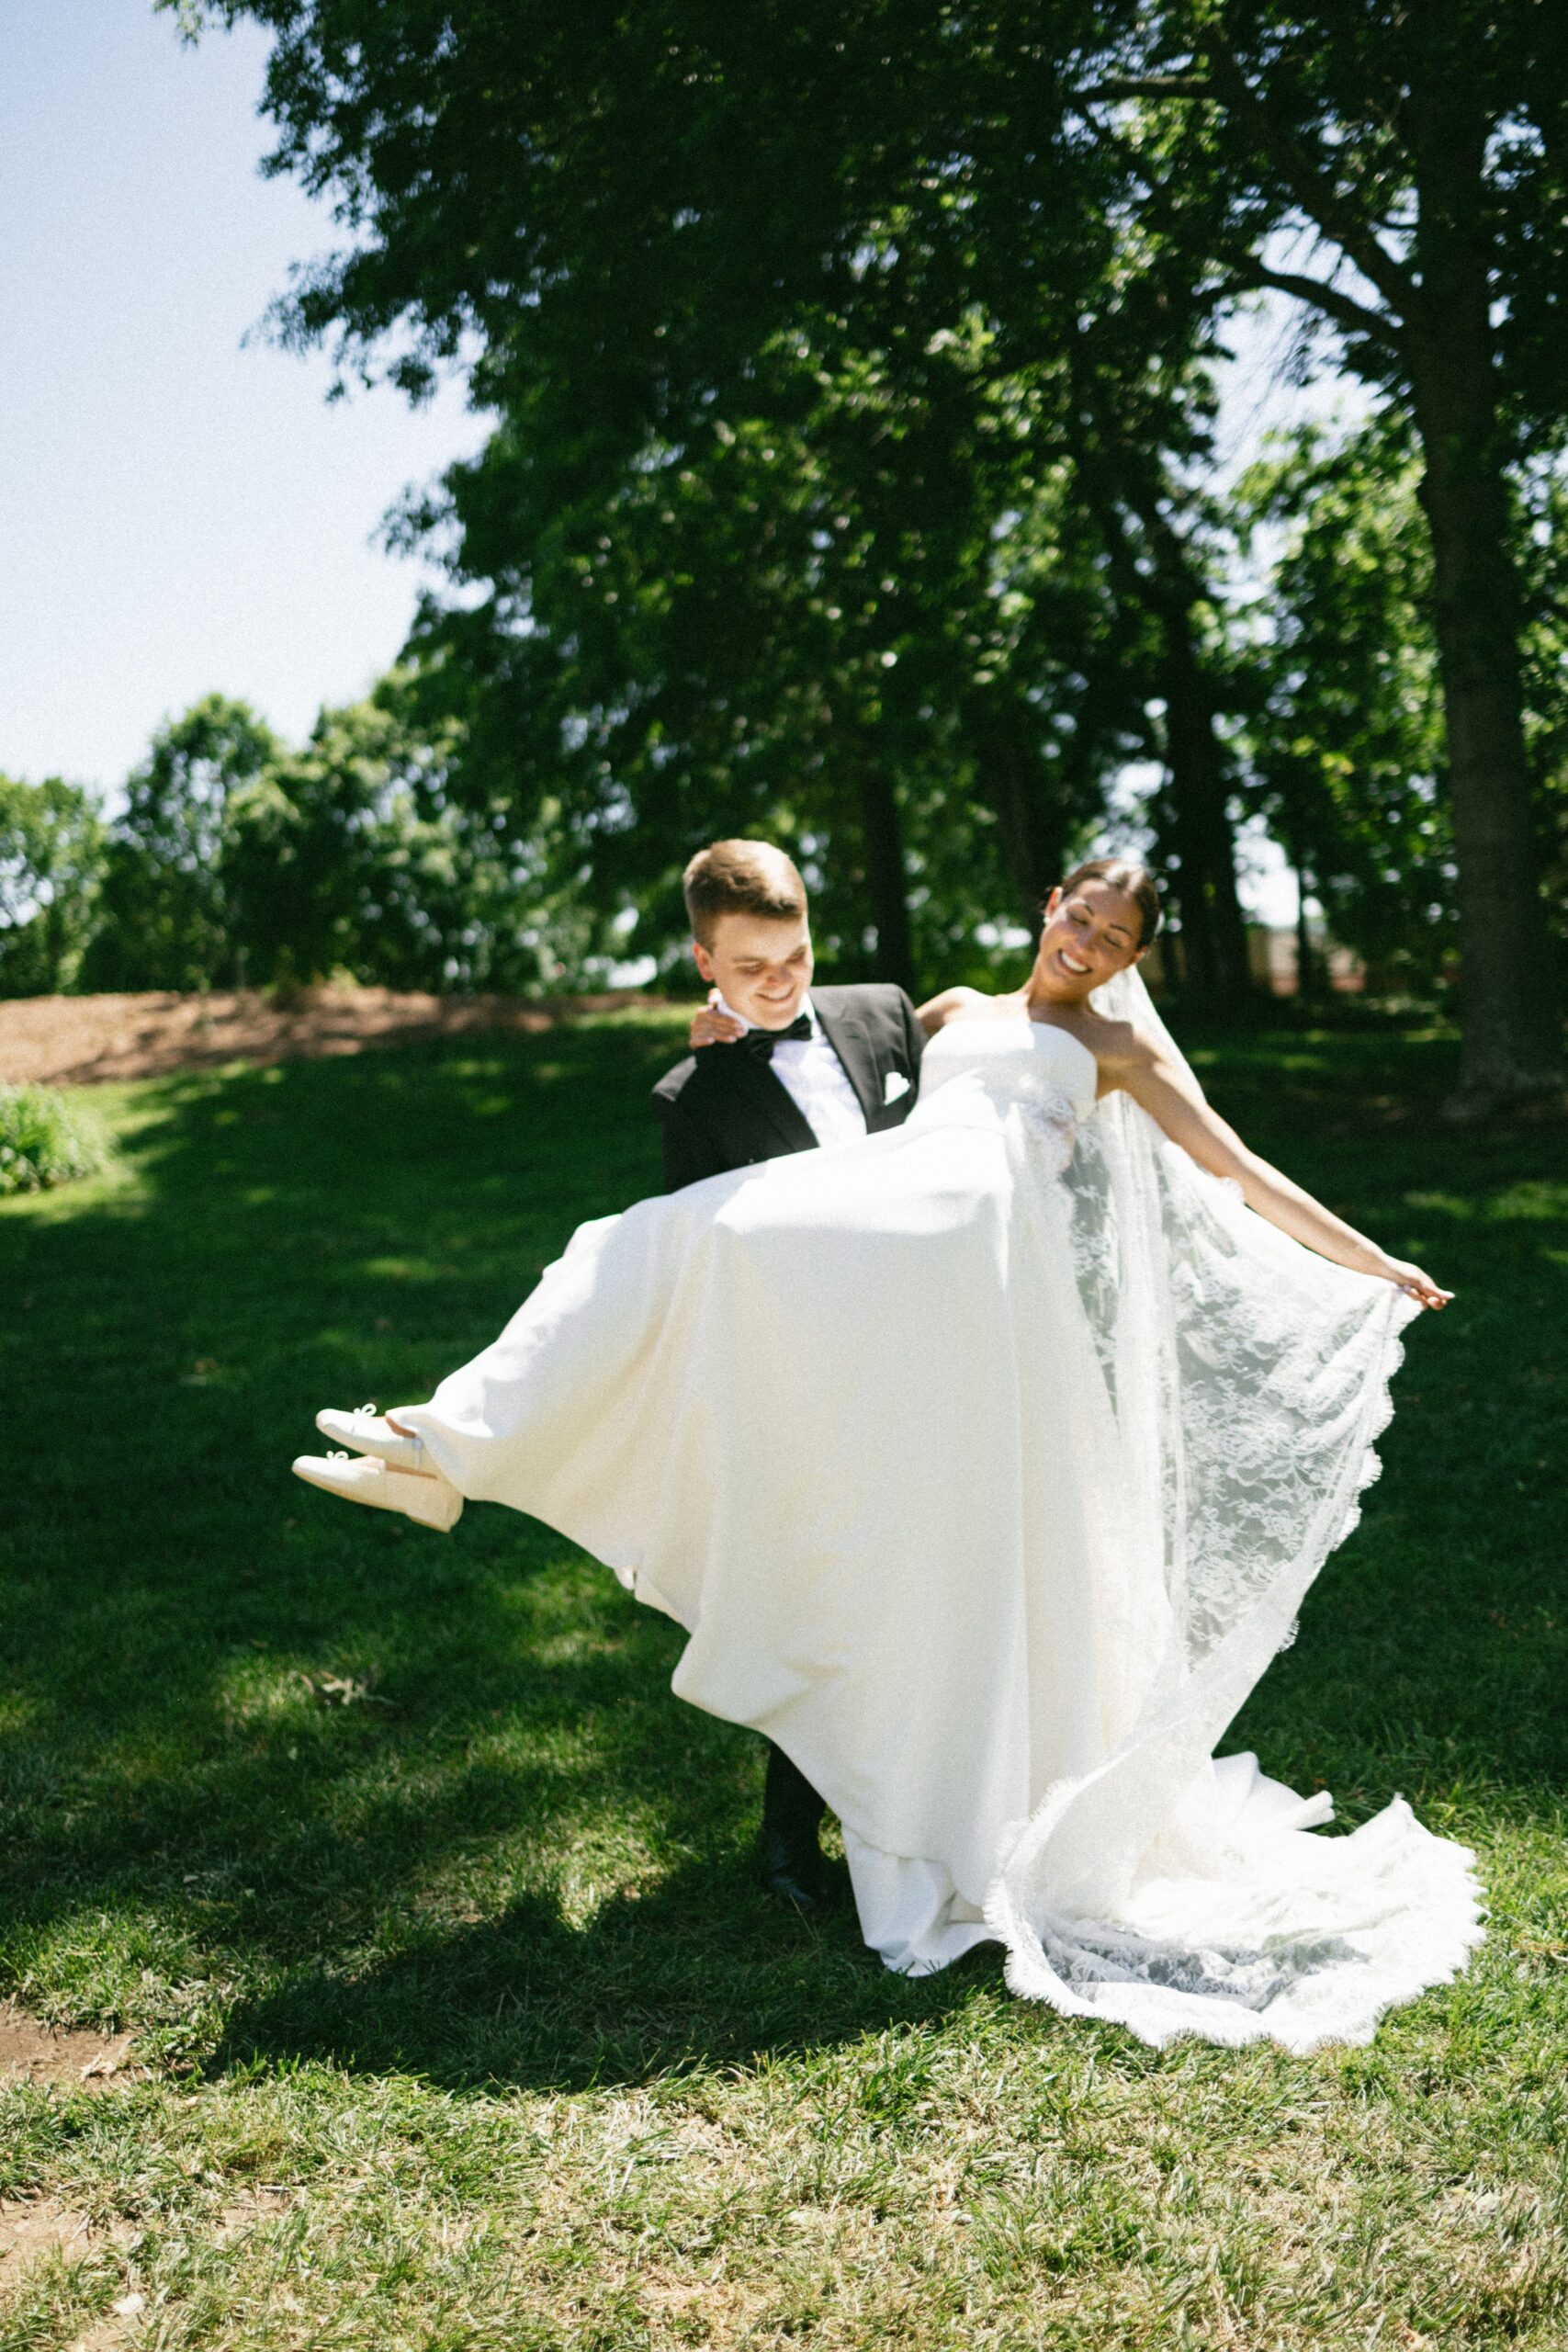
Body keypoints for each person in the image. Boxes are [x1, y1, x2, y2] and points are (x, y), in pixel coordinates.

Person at [293, 857, 1481, 2051]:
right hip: (893, 1261)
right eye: (1076, 914)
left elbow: (1230, 1163)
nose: (1083, 943)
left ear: (1129, 959)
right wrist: (720, 1029)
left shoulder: (1117, 1047)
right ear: (1046, 902)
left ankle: (448, 1456)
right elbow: (816, 1050)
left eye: (1112, 938)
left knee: (694, 1262)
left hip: (985, 1284)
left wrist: (1369, 1263)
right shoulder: (953, 1011)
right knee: (640, 1243)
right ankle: (441, 1445)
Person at [649, 841, 926, 1915]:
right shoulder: (692, 1097)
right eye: (751, 964)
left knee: (931, 1585)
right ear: (704, 962)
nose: (780, 979)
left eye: (797, 952)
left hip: (933, 1350)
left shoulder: (886, 1015)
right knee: (828, 1598)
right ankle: (786, 1836)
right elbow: (704, 1263)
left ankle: (928, 1802)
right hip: (811, 1379)